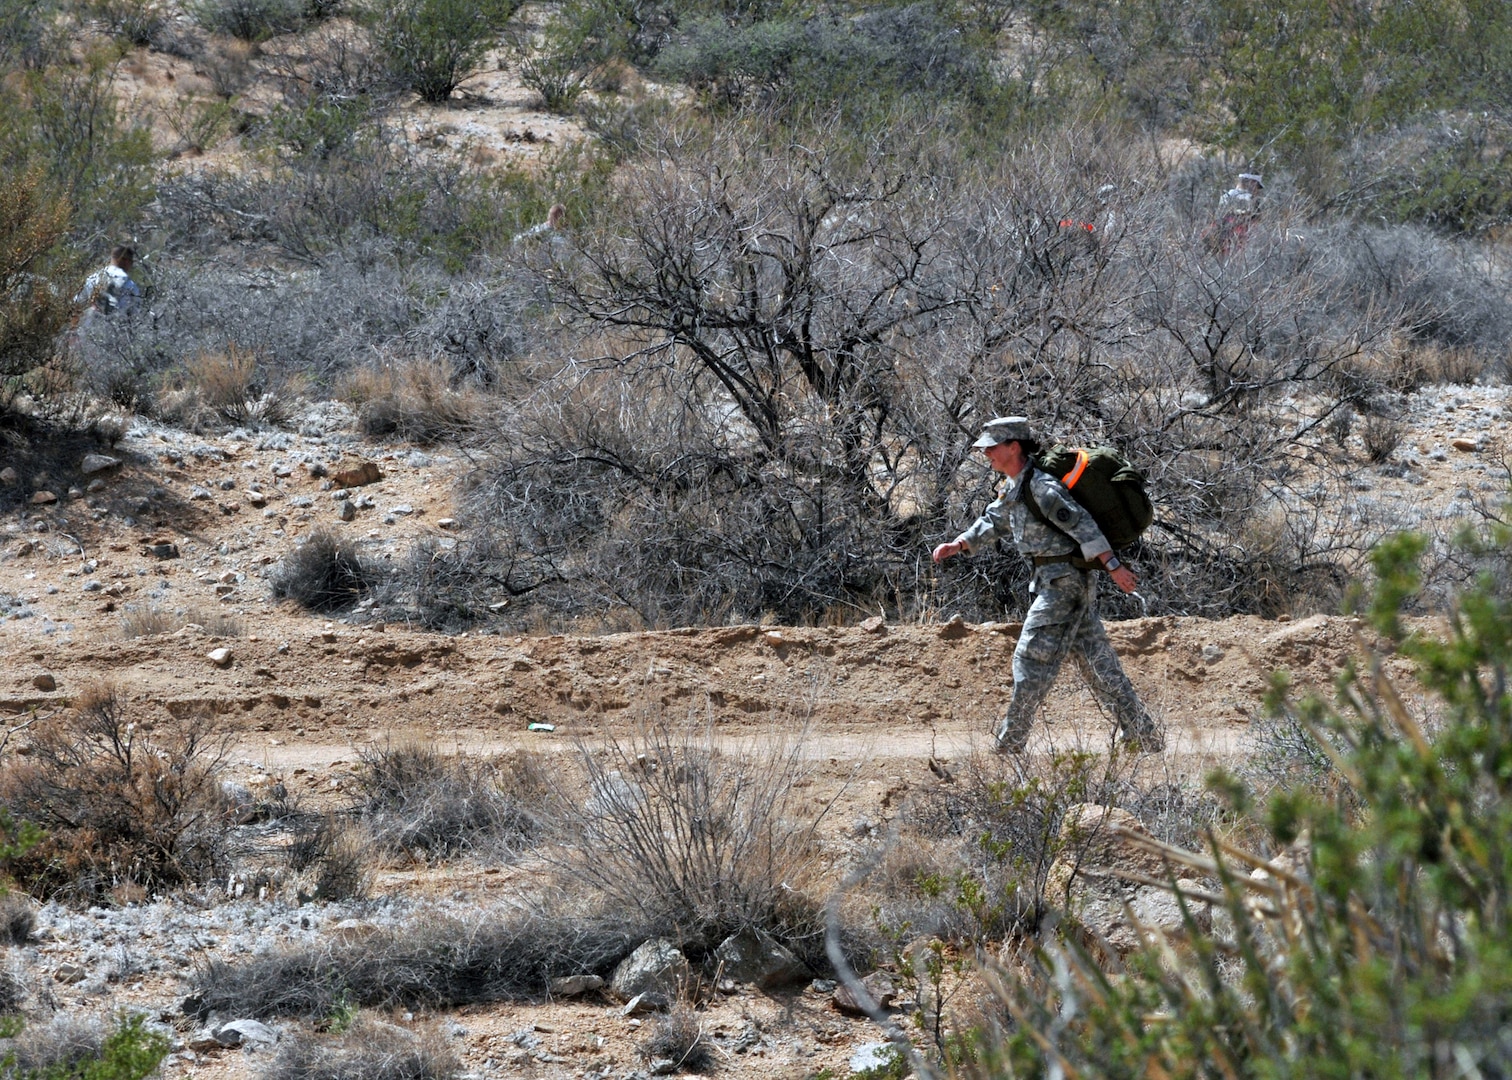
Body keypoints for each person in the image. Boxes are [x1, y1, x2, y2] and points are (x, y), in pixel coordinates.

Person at [932, 416, 1164, 754]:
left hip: (1064, 585)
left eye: (992, 448)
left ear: (1014, 447)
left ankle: (1009, 745)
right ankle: (1143, 735)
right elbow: (995, 519)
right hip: (1056, 584)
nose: (987, 455)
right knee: (1098, 665)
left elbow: (1083, 526)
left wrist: (1115, 568)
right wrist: (961, 543)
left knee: (1029, 660)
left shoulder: (1041, 487)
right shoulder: (1015, 487)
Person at [75, 245, 143, 318]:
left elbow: (77, 303)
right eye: (131, 261)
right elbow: (136, 312)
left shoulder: (94, 278)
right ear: (126, 261)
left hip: (90, 324)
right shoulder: (129, 284)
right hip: (116, 325)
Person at [1207, 172, 1263, 256]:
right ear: (1252, 183)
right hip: (1241, 242)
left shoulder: (1226, 197)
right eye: (1257, 186)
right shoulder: (1251, 199)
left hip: (1222, 242)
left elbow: (1216, 218)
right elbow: (1255, 220)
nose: (1257, 190)